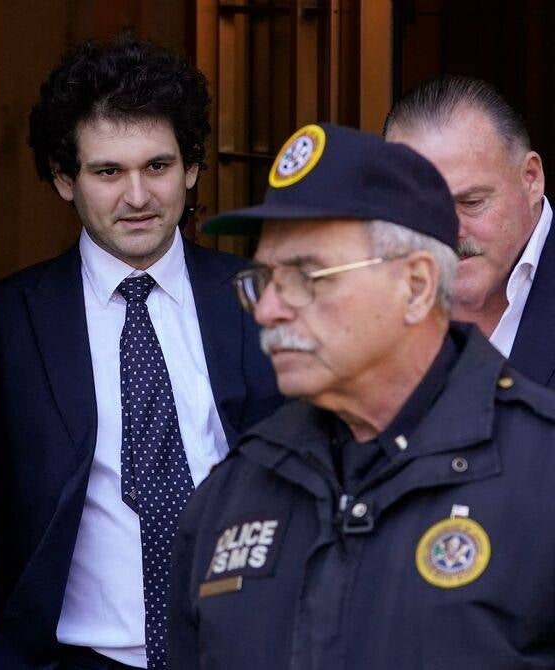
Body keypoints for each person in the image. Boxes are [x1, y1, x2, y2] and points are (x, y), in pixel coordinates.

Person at [169, 122, 555, 668]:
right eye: (264, 279)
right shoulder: (233, 491)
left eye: (308, 276)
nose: (270, 310)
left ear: (417, 285)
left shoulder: (540, 472)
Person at [0, 35, 282, 670]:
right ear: (64, 179)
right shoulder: (7, 322)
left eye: (157, 166)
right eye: (107, 172)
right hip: (79, 657)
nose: (139, 196)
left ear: (192, 169)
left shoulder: (263, 301)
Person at [384, 75, 555, 387]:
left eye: (472, 202)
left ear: (531, 178)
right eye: (423, 208)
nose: (448, 230)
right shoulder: (368, 287)